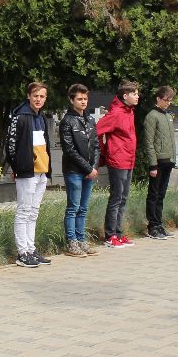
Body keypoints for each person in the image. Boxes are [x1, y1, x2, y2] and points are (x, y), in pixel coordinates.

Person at [6, 82, 53, 268]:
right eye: (35, 96)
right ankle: (22, 252)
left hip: (41, 171)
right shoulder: (20, 117)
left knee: (34, 212)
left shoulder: (40, 117)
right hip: (27, 172)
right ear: (28, 96)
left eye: (42, 96)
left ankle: (31, 249)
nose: (38, 99)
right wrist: (17, 167)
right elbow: (11, 145)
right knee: (24, 211)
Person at [96, 81, 140, 248]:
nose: (137, 96)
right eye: (134, 94)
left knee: (123, 198)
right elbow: (97, 131)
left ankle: (119, 234)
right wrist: (105, 152)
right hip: (117, 160)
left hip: (129, 160)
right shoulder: (115, 113)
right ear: (125, 96)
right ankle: (110, 235)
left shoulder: (129, 112)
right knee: (116, 198)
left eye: (137, 93)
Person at [59, 84, 100, 257]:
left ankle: (82, 240)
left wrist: (94, 167)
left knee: (83, 208)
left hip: (89, 171)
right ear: (71, 100)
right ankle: (72, 242)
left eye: (85, 99)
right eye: (79, 99)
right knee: (73, 207)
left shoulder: (90, 119)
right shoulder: (67, 121)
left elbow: (96, 145)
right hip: (74, 171)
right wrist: (87, 168)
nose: (83, 102)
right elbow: (69, 149)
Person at [143, 86, 177, 239]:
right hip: (157, 162)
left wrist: (173, 158)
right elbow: (149, 142)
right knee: (154, 194)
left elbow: (171, 140)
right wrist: (153, 164)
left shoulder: (168, 116)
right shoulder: (152, 116)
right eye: (165, 100)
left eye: (170, 100)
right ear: (158, 98)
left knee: (161, 195)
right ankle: (152, 226)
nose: (168, 103)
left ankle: (159, 224)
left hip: (168, 161)